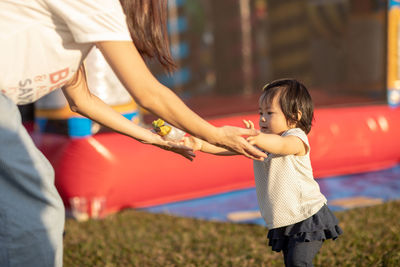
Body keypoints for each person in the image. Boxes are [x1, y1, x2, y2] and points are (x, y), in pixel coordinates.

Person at [0, 1, 267, 266]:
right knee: (38, 207)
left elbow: (82, 101)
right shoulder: (97, 4)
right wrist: (216, 134)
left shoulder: (71, 33)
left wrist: (149, 136)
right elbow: (148, 94)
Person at [183, 78, 343, 267]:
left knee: (298, 262)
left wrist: (258, 138)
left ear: (294, 116)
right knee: (292, 262)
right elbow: (231, 147)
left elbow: (283, 146)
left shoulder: (296, 137)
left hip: (306, 215)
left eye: (270, 113)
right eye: (261, 113)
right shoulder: (266, 140)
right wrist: (201, 144)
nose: (262, 118)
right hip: (286, 219)